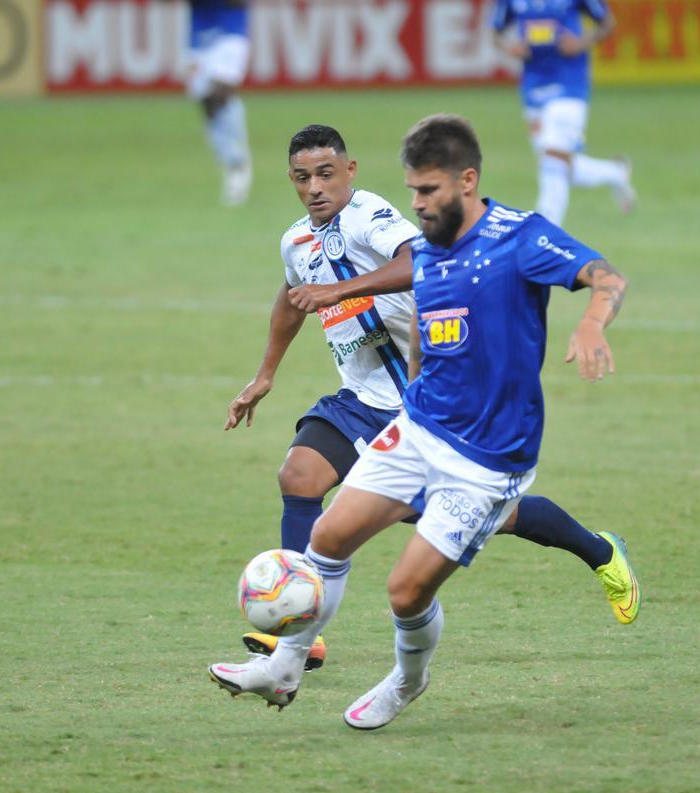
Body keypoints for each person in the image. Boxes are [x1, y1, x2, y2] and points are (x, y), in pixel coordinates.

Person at [211, 114, 637, 729]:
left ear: (467, 181)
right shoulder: (428, 249)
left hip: (488, 451)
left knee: (407, 590)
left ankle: (410, 680)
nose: (415, 205)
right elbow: (416, 337)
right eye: (413, 190)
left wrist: (593, 322)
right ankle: (288, 662)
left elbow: (606, 277)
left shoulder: (513, 237)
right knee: (323, 528)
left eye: (427, 191)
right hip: (410, 421)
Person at [492, 0, 636, 225]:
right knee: (557, 164)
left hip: (570, 83)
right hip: (534, 87)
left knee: (552, 159)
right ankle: (615, 172)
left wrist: (581, 42)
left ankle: (545, 229)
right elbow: (495, 32)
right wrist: (512, 47)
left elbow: (607, 23)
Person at [184, 0, 252, 206]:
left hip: (230, 32)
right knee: (207, 103)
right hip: (199, 37)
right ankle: (230, 159)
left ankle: (239, 163)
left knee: (221, 92)